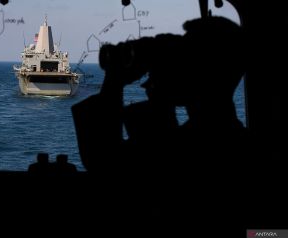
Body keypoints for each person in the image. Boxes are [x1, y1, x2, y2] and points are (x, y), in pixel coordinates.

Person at [72, 16, 247, 177]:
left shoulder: (187, 147)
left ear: (205, 71)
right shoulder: (230, 139)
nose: (177, 64)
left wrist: (116, 79)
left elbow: (105, 164)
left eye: (185, 58)